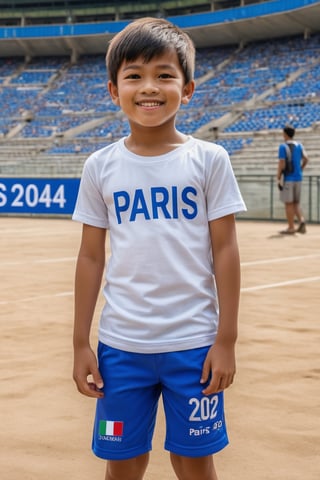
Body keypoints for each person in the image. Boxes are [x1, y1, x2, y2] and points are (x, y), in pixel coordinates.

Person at [72, 17, 246, 480]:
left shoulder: (209, 160)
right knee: (123, 460)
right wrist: (79, 342)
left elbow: (225, 250)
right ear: (114, 90)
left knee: (193, 460)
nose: (149, 87)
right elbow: (90, 257)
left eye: (164, 75)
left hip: (194, 345)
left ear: (187, 89)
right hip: (121, 348)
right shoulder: (100, 166)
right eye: (134, 76)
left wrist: (225, 339)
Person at [277, 125, 309, 234]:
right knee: (296, 203)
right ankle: (302, 221)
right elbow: (306, 158)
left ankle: (291, 227)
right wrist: (300, 169)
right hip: (298, 178)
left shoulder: (283, 147)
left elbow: (282, 163)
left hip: (289, 178)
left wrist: (278, 176)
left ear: (285, 134)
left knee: (288, 204)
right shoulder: (299, 145)